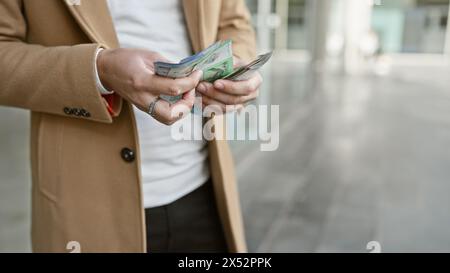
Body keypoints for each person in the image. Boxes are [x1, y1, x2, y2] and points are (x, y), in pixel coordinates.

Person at [0, 0, 261, 253]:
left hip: (205, 189)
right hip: (85, 204)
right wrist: (98, 69)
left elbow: (233, 20)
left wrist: (238, 64)